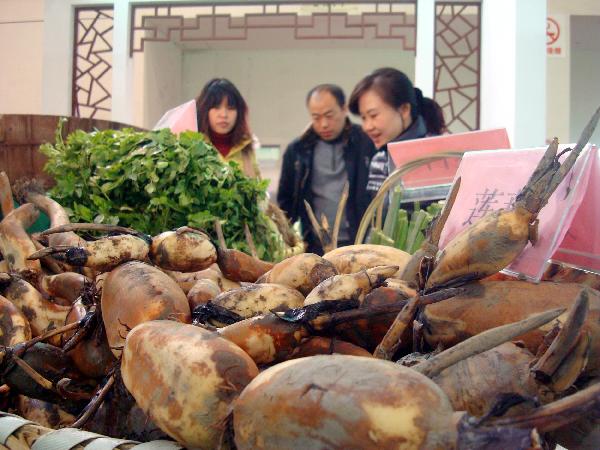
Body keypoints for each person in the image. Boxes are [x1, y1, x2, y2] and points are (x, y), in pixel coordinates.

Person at [277, 84, 376, 254]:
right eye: (316, 117)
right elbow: (285, 201)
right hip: (315, 244)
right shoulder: (298, 150)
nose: (323, 124)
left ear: (344, 109)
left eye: (329, 116)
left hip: (360, 243)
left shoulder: (365, 142)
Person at [348, 67, 446, 198]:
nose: (367, 127)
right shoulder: (380, 159)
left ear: (404, 110)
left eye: (373, 115)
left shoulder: (440, 152)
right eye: (364, 118)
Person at [195, 78, 260, 178]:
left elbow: (258, 191)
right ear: (204, 110)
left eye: (230, 108)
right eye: (216, 107)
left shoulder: (247, 148)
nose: (224, 115)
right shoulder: (192, 148)